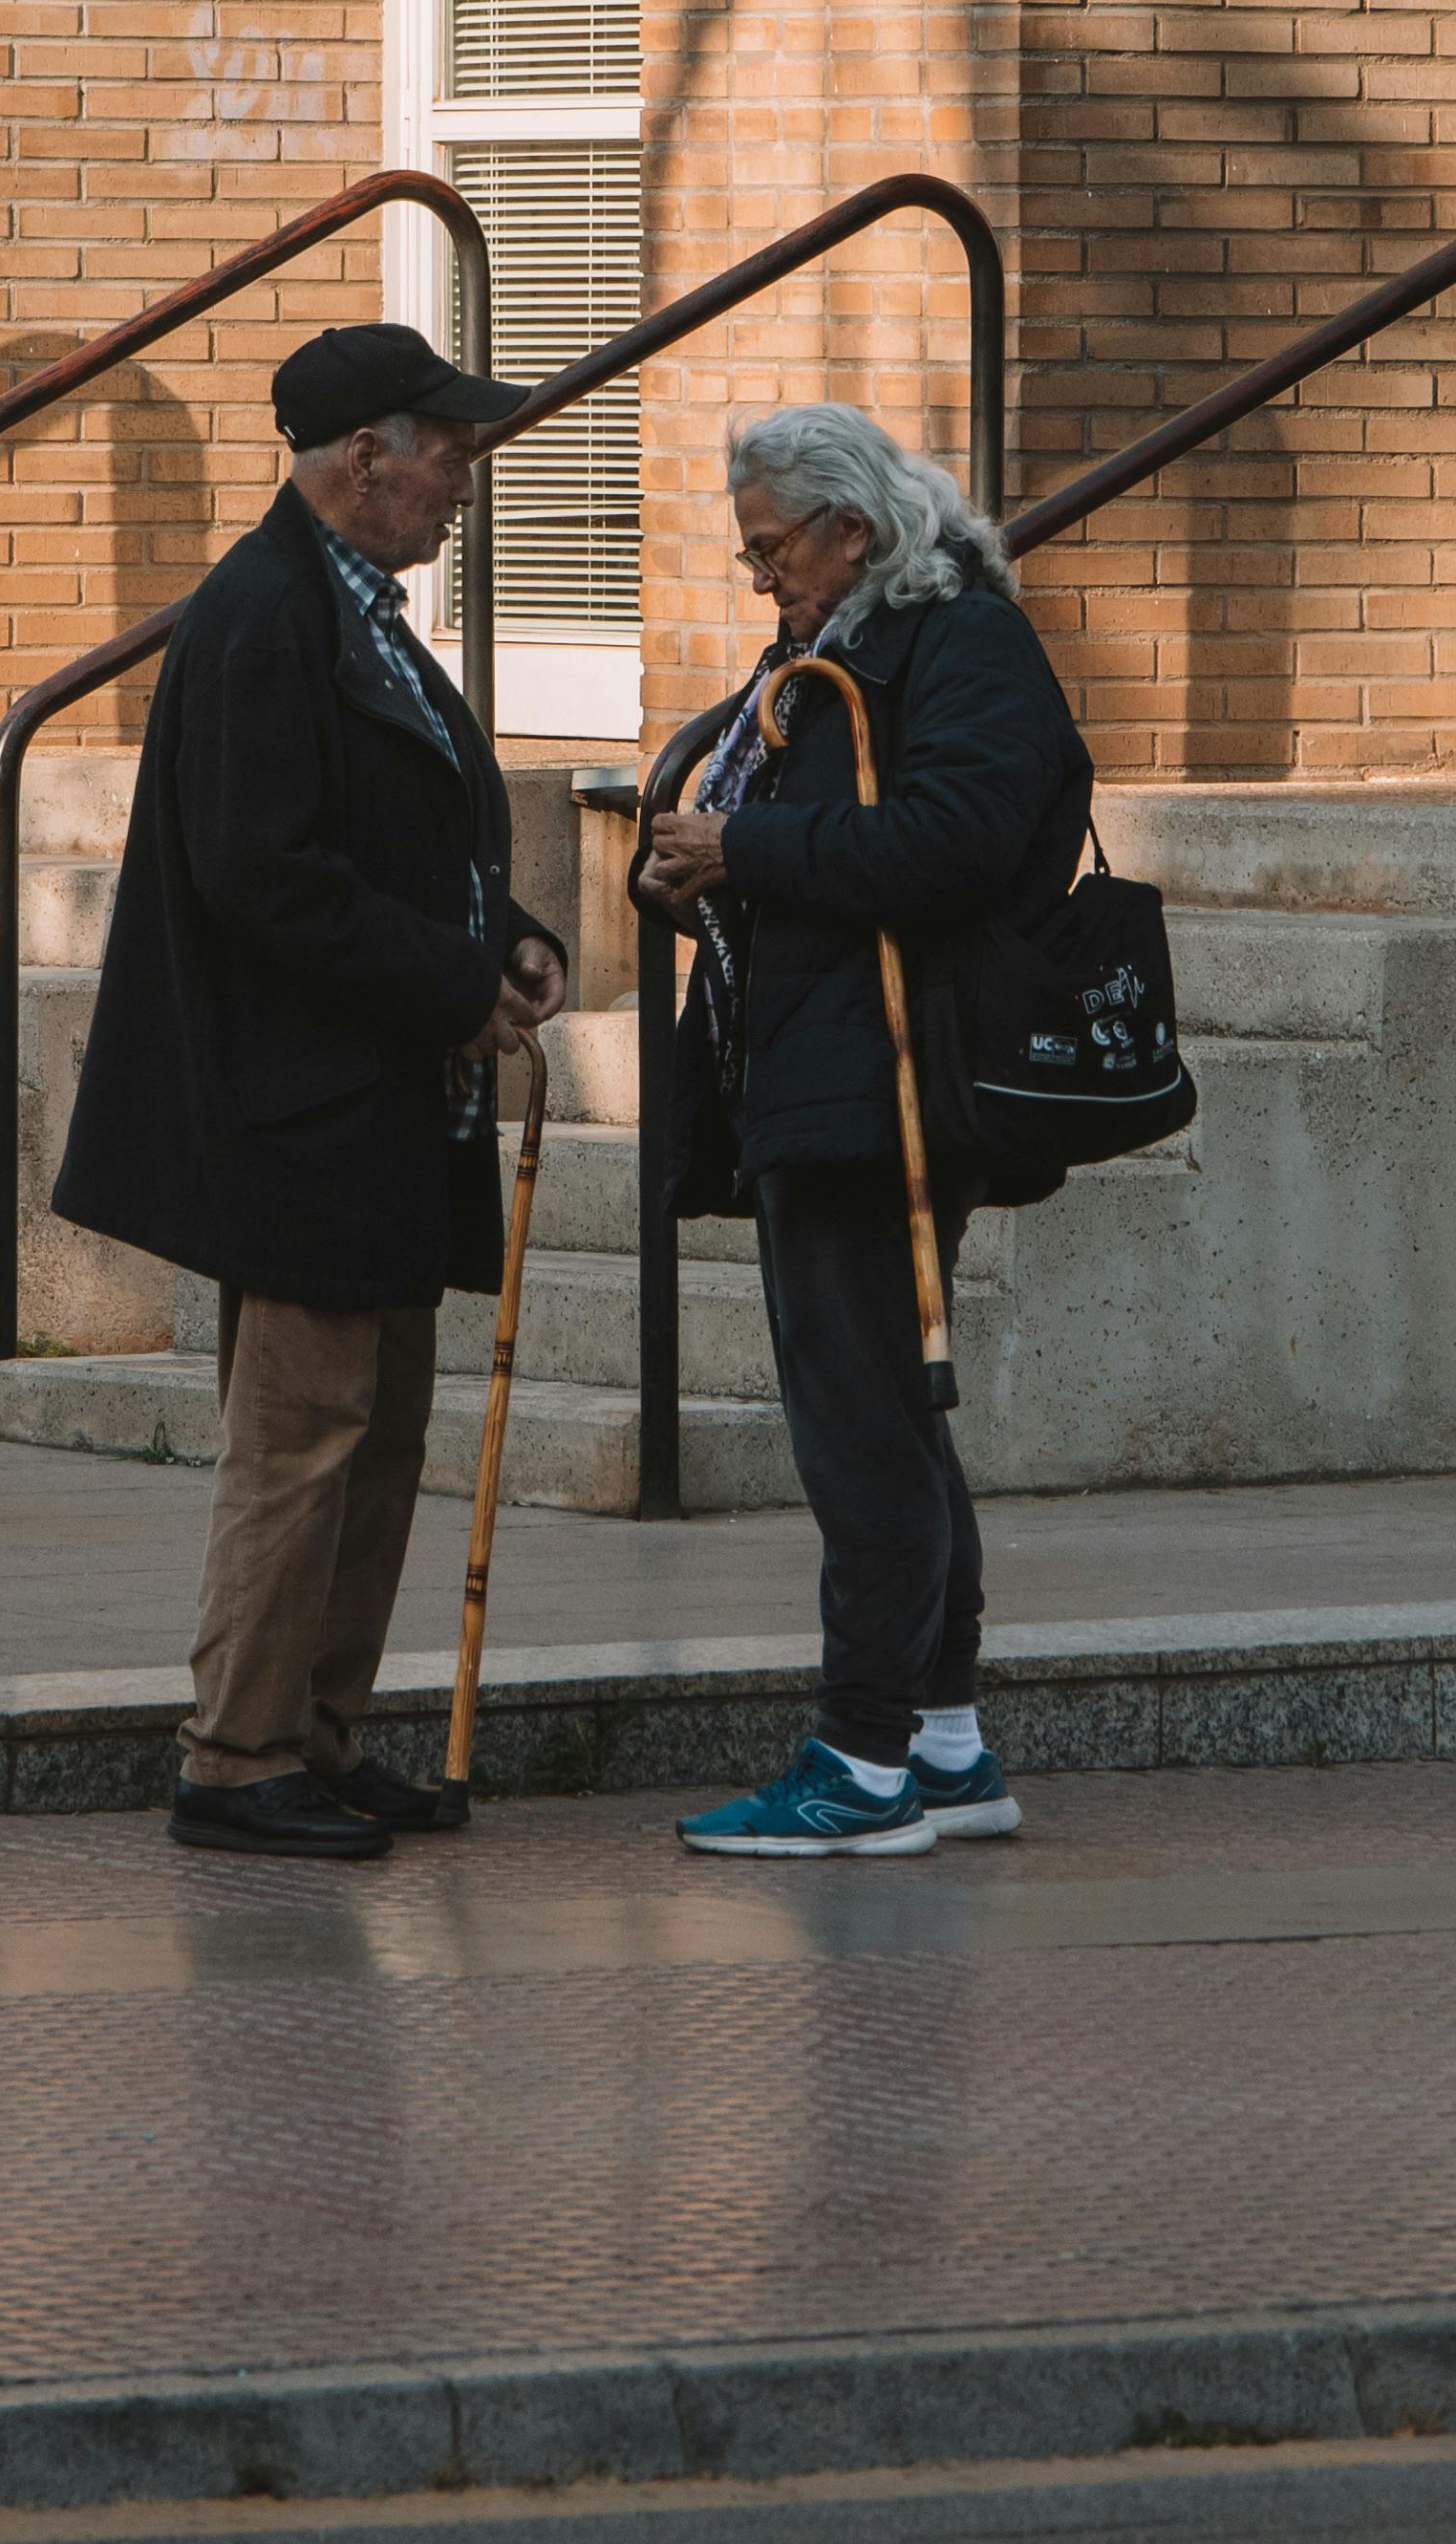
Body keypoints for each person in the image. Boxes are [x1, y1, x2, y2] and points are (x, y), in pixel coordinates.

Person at [55, 320, 567, 1864]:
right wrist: (445, 982)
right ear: (367, 456)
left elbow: (398, 836)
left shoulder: (348, 608)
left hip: (374, 1104)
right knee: (302, 1434)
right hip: (301, 1111)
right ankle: (238, 1753)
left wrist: (507, 942)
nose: (460, 481)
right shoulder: (265, 612)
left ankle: (318, 1734)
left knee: (380, 1427)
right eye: (448, 450)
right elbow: (261, 874)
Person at [642, 401, 1092, 1861]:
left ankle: (862, 1753)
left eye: (773, 547)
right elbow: (777, 811)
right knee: (889, 1408)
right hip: (819, 1067)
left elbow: (961, 839)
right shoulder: (838, 642)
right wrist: (695, 861)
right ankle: (945, 1743)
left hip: (888, 1081)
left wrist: (747, 847)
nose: (759, 573)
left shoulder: (954, 637)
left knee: (862, 1426)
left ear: (851, 525)